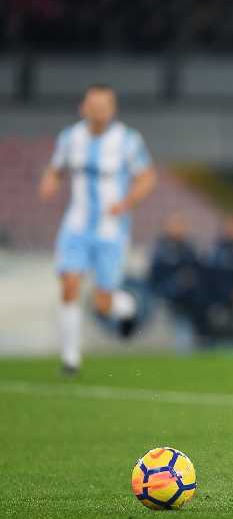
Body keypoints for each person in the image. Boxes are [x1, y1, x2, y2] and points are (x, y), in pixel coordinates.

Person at [38, 83, 157, 374]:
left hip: (111, 230)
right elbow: (56, 168)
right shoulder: (70, 138)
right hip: (76, 226)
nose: (99, 111)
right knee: (68, 285)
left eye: (105, 106)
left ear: (112, 109)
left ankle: (125, 308)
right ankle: (70, 360)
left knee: (102, 303)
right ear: (84, 107)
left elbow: (147, 177)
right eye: (94, 105)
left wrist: (126, 201)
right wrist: (50, 181)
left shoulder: (128, 140)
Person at [148, 212, 203, 353]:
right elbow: (155, 277)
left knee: (185, 329)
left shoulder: (189, 248)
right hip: (167, 299)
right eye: (174, 225)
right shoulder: (161, 250)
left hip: (188, 300)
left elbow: (197, 271)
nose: (177, 228)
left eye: (179, 225)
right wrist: (175, 284)